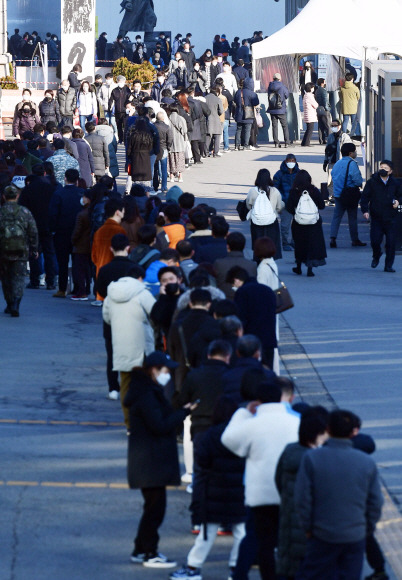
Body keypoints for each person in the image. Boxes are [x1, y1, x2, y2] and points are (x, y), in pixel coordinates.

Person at [221, 382, 300, 580]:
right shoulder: (296, 421)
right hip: (288, 490)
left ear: (258, 401)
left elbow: (228, 439)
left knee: (259, 539)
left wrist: (243, 413)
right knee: (286, 540)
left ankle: (245, 574)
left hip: (259, 492)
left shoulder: (252, 424)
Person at [125, 352, 195, 568]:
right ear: (154, 370)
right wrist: (183, 413)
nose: (168, 374)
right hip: (150, 461)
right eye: (165, 370)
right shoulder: (147, 394)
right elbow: (159, 424)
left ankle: (140, 549)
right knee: (155, 510)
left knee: (152, 508)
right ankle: (149, 552)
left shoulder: (144, 389)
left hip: (147, 460)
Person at [294, 410, 383, 580]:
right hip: (354, 533)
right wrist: (366, 527)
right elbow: (375, 502)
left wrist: (307, 527)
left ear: (327, 429)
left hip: (321, 532)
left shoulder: (312, 458)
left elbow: (302, 498)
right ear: (354, 432)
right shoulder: (366, 462)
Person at [171, 396, 246, 580]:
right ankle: (236, 569)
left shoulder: (208, 437)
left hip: (214, 492)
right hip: (238, 493)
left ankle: (193, 567)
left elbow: (202, 463)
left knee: (207, 533)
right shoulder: (241, 436)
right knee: (241, 532)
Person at [275, 407, 329, 579]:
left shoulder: (289, 452)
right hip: (314, 530)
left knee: (291, 569)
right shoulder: (320, 459)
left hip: (288, 523)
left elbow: (278, 481)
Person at [102, 267, 155, 428]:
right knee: (145, 385)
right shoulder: (142, 292)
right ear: (140, 277)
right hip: (142, 344)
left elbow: (107, 317)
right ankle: (144, 421)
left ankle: (129, 424)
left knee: (125, 383)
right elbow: (155, 312)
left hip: (120, 344)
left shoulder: (111, 294)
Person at [96, 234, 137, 399]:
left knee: (112, 353)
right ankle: (131, 386)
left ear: (111, 249)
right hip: (132, 315)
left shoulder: (105, 270)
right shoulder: (135, 269)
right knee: (134, 352)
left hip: (112, 315)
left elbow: (100, 291)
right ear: (129, 248)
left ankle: (114, 388)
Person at [226, 266, 277, 369]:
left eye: (232, 284)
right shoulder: (267, 290)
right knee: (267, 371)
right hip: (269, 339)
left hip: (251, 341)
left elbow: (241, 318)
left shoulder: (242, 292)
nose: (233, 287)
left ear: (236, 280)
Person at [0, 185, 38, 317]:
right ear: (17, 196)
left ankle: (9, 303)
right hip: (21, 250)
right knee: (19, 277)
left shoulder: (1, 212)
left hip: (3, 251)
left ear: (4, 197)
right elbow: (32, 231)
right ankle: (16, 302)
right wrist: (34, 248)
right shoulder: (24, 211)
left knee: (6, 278)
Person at [19, 164, 58, 290]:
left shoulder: (28, 189)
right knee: (49, 252)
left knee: (33, 252)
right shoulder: (51, 188)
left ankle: (35, 280)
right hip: (48, 224)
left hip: (32, 225)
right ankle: (50, 281)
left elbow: (22, 208)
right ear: (44, 173)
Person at [361, 160, 402, 272]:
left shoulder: (395, 183)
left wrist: (398, 201)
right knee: (375, 241)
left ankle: (388, 265)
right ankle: (376, 255)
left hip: (391, 218)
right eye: (381, 167)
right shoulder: (372, 182)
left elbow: (400, 195)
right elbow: (364, 197)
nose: (383, 169)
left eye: (386, 168)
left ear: (391, 171)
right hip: (377, 217)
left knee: (391, 243)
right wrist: (365, 210)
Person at [48, 168, 83, 298]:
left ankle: (62, 289)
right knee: (77, 261)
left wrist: (52, 229)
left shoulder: (59, 193)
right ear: (77, 180)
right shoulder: (82, 193)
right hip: (78, 232)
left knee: (62, 262)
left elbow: (53, 214)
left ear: (65, 178)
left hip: (61, 232)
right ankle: (78, 288)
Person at [286, 170, 327, 277]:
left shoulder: (294, 192)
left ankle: (298, 266)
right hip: (314, 224)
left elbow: (289, 207)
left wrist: (297, 212)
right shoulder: (314, 191)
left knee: (299, 245)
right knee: (311, 245)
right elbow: (322, 205)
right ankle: (310, 268)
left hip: (298, 224)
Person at [329, 142, 365, 248]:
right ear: (350, 153)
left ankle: (332, 238)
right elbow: (357, 180)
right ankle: (355, 239)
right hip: (350, 195)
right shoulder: (352, 164)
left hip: (339, 194)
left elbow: (333, 176)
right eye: (354, 151)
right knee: (352, 218)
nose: (355, 153)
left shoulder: (337, 164)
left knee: (336, 217)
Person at [92, 198, 126, 303]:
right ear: (118, 212)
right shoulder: (120, 231)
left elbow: (94, 256)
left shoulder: (99, 231)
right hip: (117, 276)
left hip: (101, 273)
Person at [245, 168, 284, 257]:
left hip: (256, 222)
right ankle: (271, 261)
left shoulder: (252, 191)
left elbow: (248, 205)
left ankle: (258, 259)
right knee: (271, 243)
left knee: (258, 243)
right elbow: (279, 207)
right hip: (271, 221)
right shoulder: (274, 191)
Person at [213, 232, 257, 299]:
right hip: (244, 301)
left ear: (228, 246)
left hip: (224, 301)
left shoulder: (219, 263)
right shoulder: (252, 265)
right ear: (244, 246)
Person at [273, 154, 300, 251]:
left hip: (297, 203)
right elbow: (275, 189)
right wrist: (281, 198)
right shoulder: (279, 174)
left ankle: (294, 241)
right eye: (289, 161)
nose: (291, 163)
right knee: (285, 225)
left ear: (296, 161)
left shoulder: (299, 173)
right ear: (285, 161)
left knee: (298, 224)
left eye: (293, 161)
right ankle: (285, 243)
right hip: (285, 203)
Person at [70, 188, 93, 300]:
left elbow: (77, 231)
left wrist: (73, 240)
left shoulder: (81, 214)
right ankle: (87, 288)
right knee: (87, 268)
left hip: (80, 245)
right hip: (90, 244)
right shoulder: (92, 212)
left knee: (79, 269)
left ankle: (81, 291)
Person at [323, 118, 351, 201]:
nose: (334, 127)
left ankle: (340, 196)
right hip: (331, 161)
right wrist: (325, 161)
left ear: (340, 126)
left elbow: (348, 149)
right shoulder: (331, 136)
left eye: (335, 126)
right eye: (332, 126)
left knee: (341, 180)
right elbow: (327, 150)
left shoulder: (344, 136)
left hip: (341, 162)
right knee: (330, 180)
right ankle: (332, 196)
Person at [233, 78, 259, 151]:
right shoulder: (252, 93)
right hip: (248, 113)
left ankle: (236, 145)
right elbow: (256, 103)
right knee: (247, 130)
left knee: (238, 129)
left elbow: (235, 100)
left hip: (239, 113)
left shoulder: (238, 92)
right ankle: (245, 145)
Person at [267, 72, 290, 148]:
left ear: (273, 78)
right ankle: (287, 142)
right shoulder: (282, 86)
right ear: (280, 79)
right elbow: (287, 95)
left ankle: (276, 143)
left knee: (274, 126)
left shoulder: (270, 86)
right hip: (281, 109)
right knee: (284, 126)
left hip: (272, 109)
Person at [167, 105, 187, 183]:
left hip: (170, 142)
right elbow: (184, 131)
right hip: (179, 142)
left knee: (171, 160)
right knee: (179, 159)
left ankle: (171, 176)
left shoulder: (167, 119)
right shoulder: (181, 119)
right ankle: (180, 176)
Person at [95, 118, 119, 183]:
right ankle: (114, 192)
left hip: (98, 157)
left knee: (99, 179)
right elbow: (114, 145)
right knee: (112, 177)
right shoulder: (111, 132)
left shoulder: (95, 132)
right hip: (110, 154)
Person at [109, 75, 131, 143]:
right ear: (117, 82)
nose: (120, 82)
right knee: (119, 126)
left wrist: (129, 107)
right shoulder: (114, 90)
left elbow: (130, 99)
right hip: (117, 111)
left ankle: (126, 139)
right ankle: (120, 139)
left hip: (126, 111)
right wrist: (110, 107)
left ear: (124, 82)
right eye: (119, 81)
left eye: (122, 81)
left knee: (125, 126)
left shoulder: (127, 90)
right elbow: (111, 100)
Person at [315, 78, 331, 145]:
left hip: (319, 109)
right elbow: (325, 101)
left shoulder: (317, 90)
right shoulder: (323, 91)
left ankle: (321, 140)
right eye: (324, 82)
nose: (325, 83)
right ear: (322, 83)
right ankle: (330, 139)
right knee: (328, 125)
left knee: (320, 125)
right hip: (324, 110)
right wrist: (328, 108)